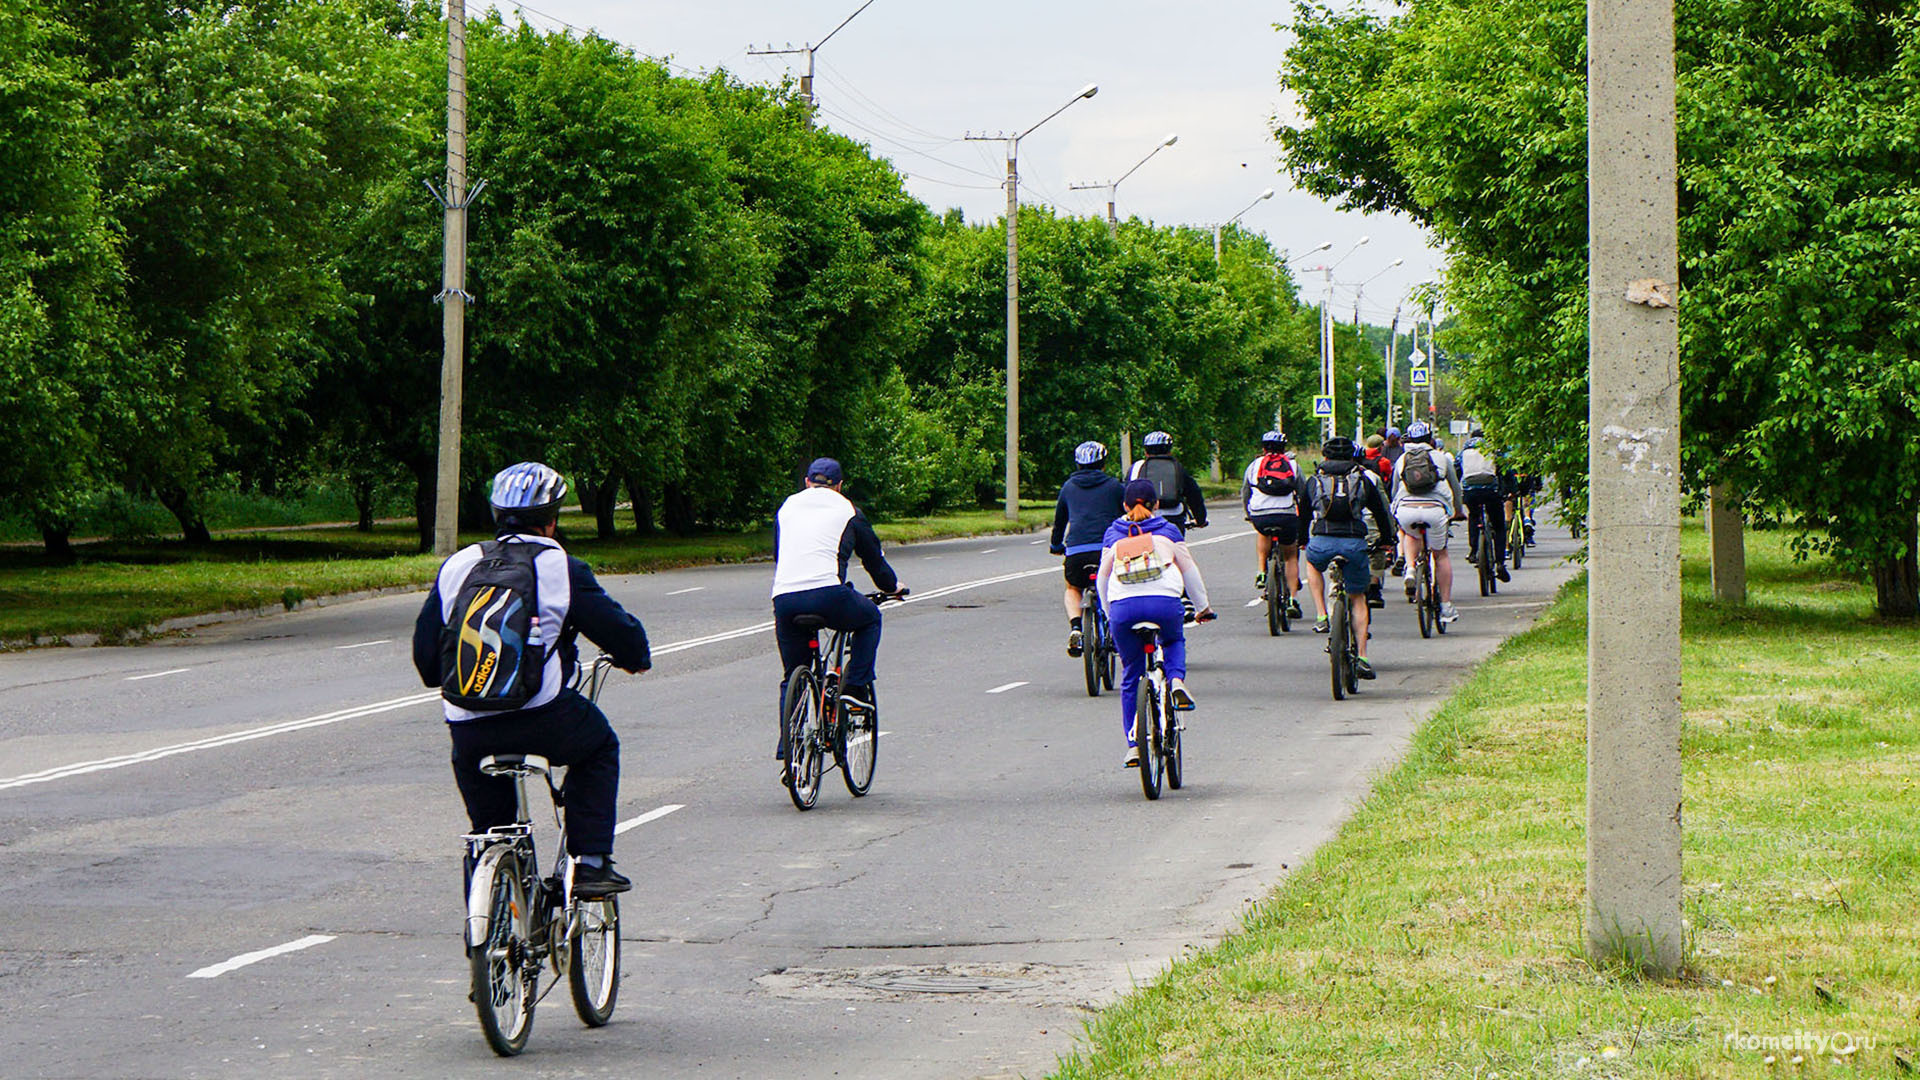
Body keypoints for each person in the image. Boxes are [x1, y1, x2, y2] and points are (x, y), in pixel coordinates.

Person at [413, 461, 652, 899]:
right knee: (599, 746)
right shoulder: (560, 566)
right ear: (553, 519)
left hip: (468, 725)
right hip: (543, 715)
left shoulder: (459, 565)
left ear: (496, 514)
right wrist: (635, 657)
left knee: (490, 830)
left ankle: (488, 913)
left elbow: (429, 663)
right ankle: (594, 863)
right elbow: (618, 631)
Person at [770, 458, 906, 774]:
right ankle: (854, 688)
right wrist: (893, 587)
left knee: (794, 673)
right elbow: (873, 561)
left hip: (785, 598)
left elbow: (782, 554)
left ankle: (787, 745)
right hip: (829, 595)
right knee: (870, 617)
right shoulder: (848, 510)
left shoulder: (786, 508)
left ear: (807, 482)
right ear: (839, 485)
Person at [1097, 479, 1215, 767]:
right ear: (1157, 504)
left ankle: (1134, 745)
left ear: (1124, 506)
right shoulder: (1168, 531)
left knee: (1131, 676)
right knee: (1173, 640)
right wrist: (1203, 608)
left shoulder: (1114, 533)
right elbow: (1190, 573)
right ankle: (1175, 681)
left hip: (1124, 609)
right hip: (1164, 605)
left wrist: (1110, 614)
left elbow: (1102, 578)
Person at [1301, 437, 1395, 678]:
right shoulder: (1363, 480)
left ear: (1325, 456)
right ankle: (1362, 656)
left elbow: (1302, 515)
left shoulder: (1315, 480)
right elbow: (1381, 513)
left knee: (1312, 564)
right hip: (1354, 543)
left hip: (1322, 540)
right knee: (1357, 597)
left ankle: (1322, 615)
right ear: (1354, 457)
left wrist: (1303, 540)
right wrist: (1387, 540)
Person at [1049, 440, 1125, 657]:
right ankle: (1115, 630)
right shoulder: (1114, 487)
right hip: (1108, 550)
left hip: (1077, 552)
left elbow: (1060, 521)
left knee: (1073, 587)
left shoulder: (1068, 487)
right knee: (1116, 587)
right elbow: (1125, 516)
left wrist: (1056, 545)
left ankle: (1075, 628)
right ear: (1103, 463)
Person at [1390, 422, 1466, 623]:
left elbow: (1394, 489)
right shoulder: (1441, 457)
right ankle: (1447, 606)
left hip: (1407, 510)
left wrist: (1395, 509)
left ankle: (1411, 568)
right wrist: (1458, 510)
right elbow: (1455, 487)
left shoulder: (1402, 459)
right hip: (1435, 509)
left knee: (1409, 533)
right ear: (1430, 439)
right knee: (1440, 555)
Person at [1241, 430, 1303, 620]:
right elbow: (1302, 492)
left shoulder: (1254, 465)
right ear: (1284, 448)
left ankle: (1261, 572)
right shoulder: (1293, 465)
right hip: (1286, 515)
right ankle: (1292, 599)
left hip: (1260, 515)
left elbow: (1245, 491)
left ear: (1263, 448)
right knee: (1291, 555)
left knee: (1262, 532)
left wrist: (1249, 514)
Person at [1127, 430, 1209, 534]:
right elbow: (1194, 495)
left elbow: (1126, 493)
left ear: (1146, 452)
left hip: (1143, 518)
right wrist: (1200, 519)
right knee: (1176, 548)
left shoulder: (1136, 468)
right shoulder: (1177, 468)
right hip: (1173, 518)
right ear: (1169, 450)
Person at [1458, 429, 1511, 582]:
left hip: (1470, 492)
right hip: (1491, 491)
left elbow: (1456, 469)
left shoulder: (1464, 451)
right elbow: (1505, 471)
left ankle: (1474, 551)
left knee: (1474, 516)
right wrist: (1509, 490)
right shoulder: (1492, 449)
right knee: (1499, 526)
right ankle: (1500, 562)